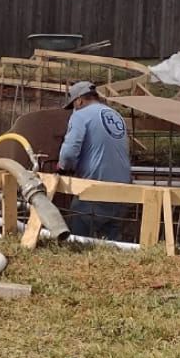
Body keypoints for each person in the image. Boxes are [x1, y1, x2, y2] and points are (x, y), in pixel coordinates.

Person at [57, 80, 135, 240]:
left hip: (95, 189)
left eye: (73, 106)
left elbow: (69, 152)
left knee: (76, 240)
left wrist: (63, 167)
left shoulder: (80, 115)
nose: (73, 110)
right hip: (124, 190)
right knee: (113, 246)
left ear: (79, 100)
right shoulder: (116, 115)